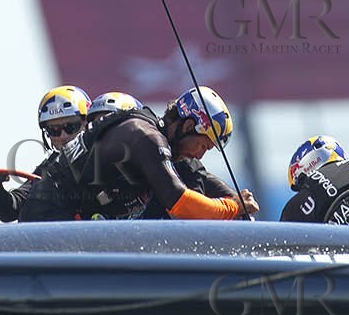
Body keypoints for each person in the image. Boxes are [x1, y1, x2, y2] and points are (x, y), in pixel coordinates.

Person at [19, 85, 257, 222]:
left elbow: (203, 178)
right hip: (46, 222)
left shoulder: (158, 138)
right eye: (203, 145)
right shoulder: (146, 137)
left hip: (71, 225)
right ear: (186, 127)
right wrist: (232, 207)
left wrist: (237, 201)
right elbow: (180, 203)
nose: (200, 155)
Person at [0, 84, 89, 222]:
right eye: (54, 130)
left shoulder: (104, 158)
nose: (63, 136)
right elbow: (12, 209)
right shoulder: (51, 167)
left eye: (71, 127)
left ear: (87, 124)